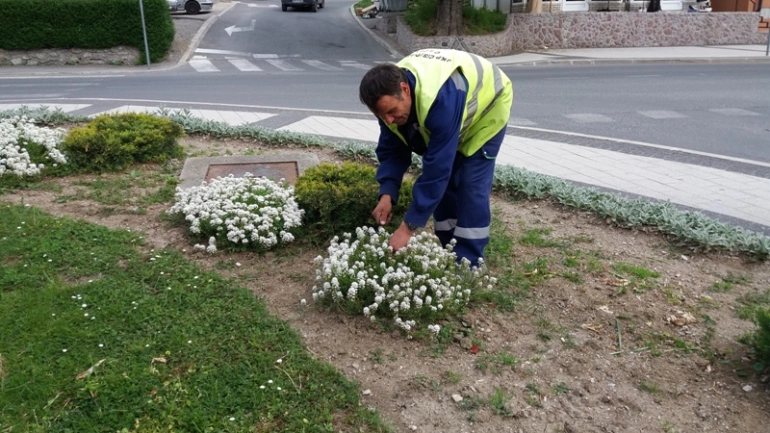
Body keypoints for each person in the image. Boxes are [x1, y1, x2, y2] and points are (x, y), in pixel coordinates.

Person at [358, 48, 513, 266]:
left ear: (404, 90)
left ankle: (469, 263)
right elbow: (393, 150)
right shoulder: (389, 103)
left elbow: (437, 170)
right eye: (382, 116)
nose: (389, 120)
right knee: (447, 185)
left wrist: (407, 228)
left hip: (486, 114)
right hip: (450, 115)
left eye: (391, 112)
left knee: (470, 185)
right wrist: (387, 193)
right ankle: (449, 247)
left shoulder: (440, 97)